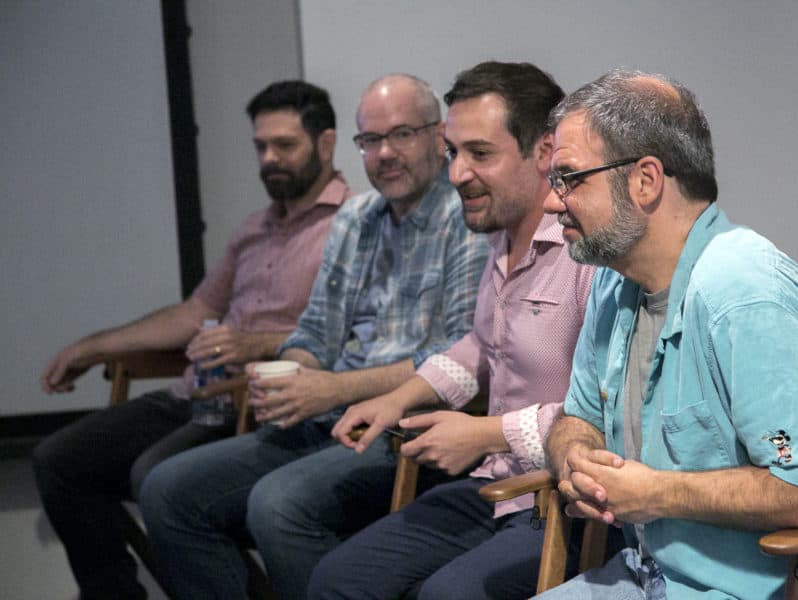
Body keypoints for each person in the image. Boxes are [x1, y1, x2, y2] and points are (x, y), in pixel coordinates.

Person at [536, 69, 798, 599]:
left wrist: (656, 493)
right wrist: (575, 459)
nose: (552, 202)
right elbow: (577, 418)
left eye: (569, 178)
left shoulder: (743, 291)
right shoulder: (613, 285)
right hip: (651, 576)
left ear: (645, 180)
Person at [138, 73, 490, 600]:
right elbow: (315, 331)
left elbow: (459, 357)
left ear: (439, 136)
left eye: (402, 135)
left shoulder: (464, 218)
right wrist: (294, 373)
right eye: (370, 141)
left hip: (399, 429)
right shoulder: (355, 218)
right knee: (166, 490)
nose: (384, 153)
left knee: (278, 505)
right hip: (323, 417)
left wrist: (331, 390)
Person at [31, 80, 351, 600]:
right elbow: (195, 312)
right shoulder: (254, 227)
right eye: (260, 147)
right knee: (60, 460)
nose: (269, 159)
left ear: (326, 143)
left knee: (155, 475)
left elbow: (350, 337)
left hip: (256, 404)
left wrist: (256, 343)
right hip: (193, 395)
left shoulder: (352, 225)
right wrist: (90, 348)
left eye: (284, 146)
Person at [308, 61, 598, 600]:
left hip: (566, 503)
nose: (457, 173)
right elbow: (483, 349)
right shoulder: (501, 236)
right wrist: (400, 398)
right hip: (493, 486)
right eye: (454, 153)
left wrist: (484, 434)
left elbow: (605, 417)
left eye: (480, 154)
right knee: (337, 579)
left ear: (544, 152)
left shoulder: (588, 254)